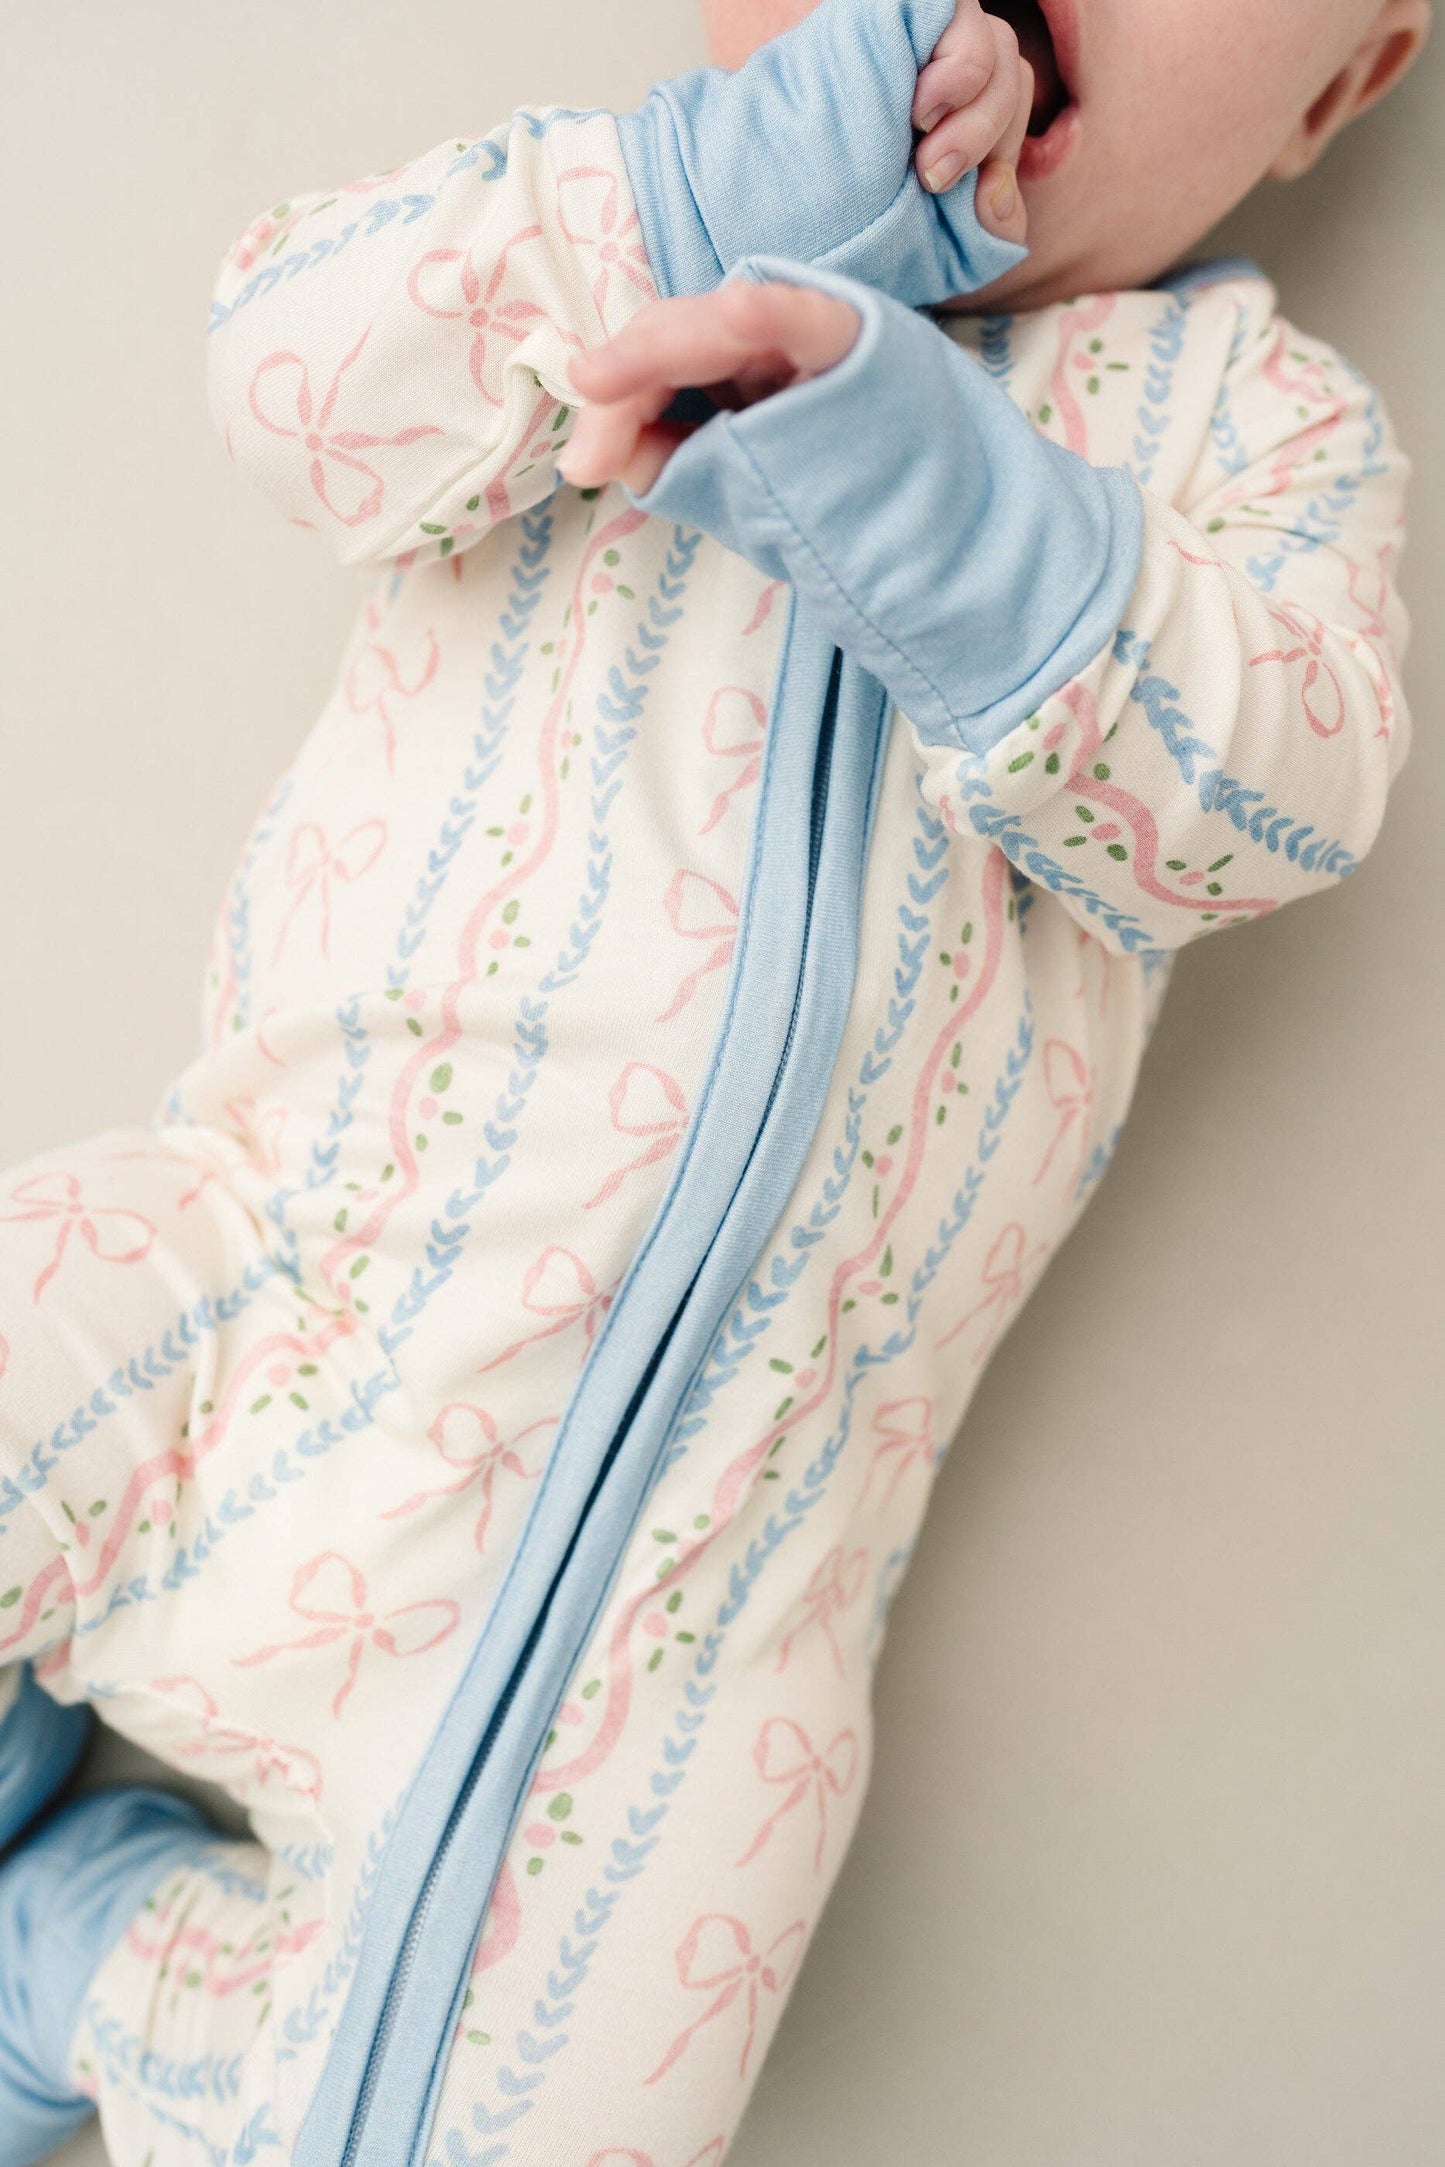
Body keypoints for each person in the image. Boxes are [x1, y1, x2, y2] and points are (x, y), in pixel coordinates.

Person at [0, 0, 1428, 2159]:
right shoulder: (585, 226)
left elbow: (1270, 797)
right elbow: (288, 377)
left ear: (1338, 86)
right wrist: (712, 190)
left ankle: (97, 1965)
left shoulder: (1256, 431)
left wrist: (927, 485)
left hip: (692, 1626)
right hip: (250, 1298)